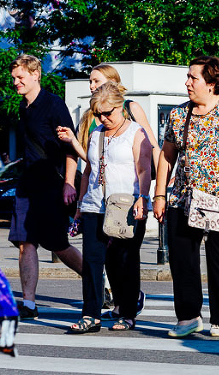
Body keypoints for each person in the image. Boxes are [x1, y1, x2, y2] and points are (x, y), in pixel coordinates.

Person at [153, 56, 219, 338]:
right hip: (184, 200)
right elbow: (166, 157)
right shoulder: (178, 115)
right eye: (187, 77)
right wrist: (160, 195)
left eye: (193, 78)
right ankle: (188, 317)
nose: (187, 83)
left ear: (211, 83)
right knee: (183, 261)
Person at [69, 82, 153, 333]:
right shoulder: (96, 135)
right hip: (95, 204)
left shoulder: (136, 133)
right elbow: (88, 171)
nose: (103, 118)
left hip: (125, 206)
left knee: (124, 260)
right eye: (98, 114)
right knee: (93, 261)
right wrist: (81, 205)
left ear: (120, 107)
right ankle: (90, 314)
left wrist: (144, 197)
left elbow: (144, 169)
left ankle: (127, 312)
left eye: (108, 113)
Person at [9, 54, 83, 320]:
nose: (16, 82)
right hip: (27, 185)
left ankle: (100, 281)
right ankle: (28, 303)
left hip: (52, 184)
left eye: (20, 77)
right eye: (14, 78)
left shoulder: (53, 105)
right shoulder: (23, 107)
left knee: (57, 245)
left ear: (35, 74)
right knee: (24, 242)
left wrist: (68, 183)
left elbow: (69, 148)